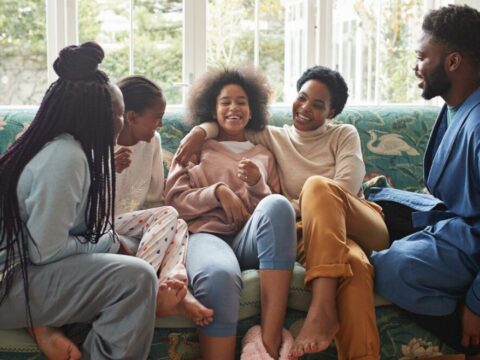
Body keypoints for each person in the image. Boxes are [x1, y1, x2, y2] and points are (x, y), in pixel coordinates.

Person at [177, 65, 389, 360]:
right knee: (353, 265)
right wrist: (200, 131)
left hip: (359, 220)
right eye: (302, 98)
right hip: (311, 235)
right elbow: (230, 119)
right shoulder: (273, 137)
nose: (305, 108)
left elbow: (346, 188)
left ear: (332, 111)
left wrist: (289, 204)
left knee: (318, 188)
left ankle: (321, 308)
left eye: (318, 105)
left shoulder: (344, 134)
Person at [0, 42, 177, 360]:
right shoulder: (65, 157)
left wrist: (113, 242)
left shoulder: (73, 151)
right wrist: (108, 243)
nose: (122, 123)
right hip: (9, 280)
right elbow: (46, 251)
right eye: (120, 114)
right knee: (136, 279)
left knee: (130, 258)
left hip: (23, 270)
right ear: (99, 116)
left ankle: (51, 329)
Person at [367, 4, 480, 357]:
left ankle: (468, 342)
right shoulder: (456, 106)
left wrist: (476, 305)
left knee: (391, 267)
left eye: (421, 56)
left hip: (473, 245)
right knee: (376, 201)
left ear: (453, 62)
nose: (415, 66)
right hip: (457, 226)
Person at [165, 67, 297, 360]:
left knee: (278, 205)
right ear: (212, 108)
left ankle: (269, 345)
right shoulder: (195, 147)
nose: (234, 107)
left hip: (249, 239)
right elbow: (173, 201)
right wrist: (216, 192)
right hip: (206, 236)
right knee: (219, 275)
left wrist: (256, 184)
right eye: (225, 101)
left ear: (252, 111)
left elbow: (274, 218)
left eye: (241, 101)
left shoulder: (263, 154)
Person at [112, 75, 213, 324]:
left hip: (138, 230)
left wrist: (161, 228)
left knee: (177, 222)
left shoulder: (152, 142)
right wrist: (107, 170)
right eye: (156, 118)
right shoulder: (99, 144)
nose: (160, 125)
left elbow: (155, 198)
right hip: (104, 227)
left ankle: (173, 284)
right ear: (132, 117)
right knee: (169, 214)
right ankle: (142, 289)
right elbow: (83, 202)